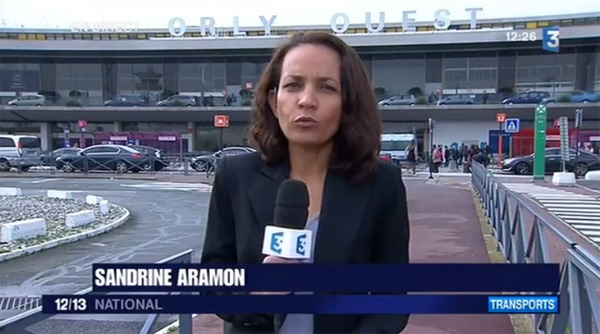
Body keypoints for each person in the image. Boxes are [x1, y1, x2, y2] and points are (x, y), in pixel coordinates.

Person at [201, 31, 410, 334]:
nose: (306, 101)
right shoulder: (235, 175)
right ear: (274, 101)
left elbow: (391, 297)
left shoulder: (381, 183)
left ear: (347, 102)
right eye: (293, 85)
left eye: (326, 87)